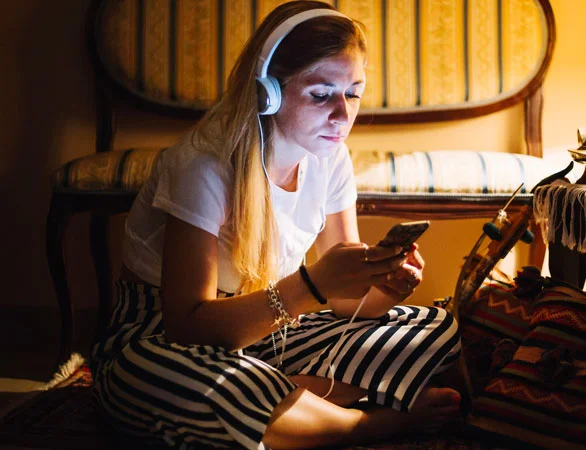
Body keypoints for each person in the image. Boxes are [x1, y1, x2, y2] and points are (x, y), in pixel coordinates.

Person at [90, 1, 462, 449]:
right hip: (163, 341)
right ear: (268, 91)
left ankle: (287, 405)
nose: (343, 115)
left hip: (272, 333)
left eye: (353, 93)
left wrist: (383, 286)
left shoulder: (330, 156)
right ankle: (360, 424)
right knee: (199, 382)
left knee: (439, 329)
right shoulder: (202, 166)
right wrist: (311, 285)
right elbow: (187, 327)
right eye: (322, 94)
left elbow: (346, 305)